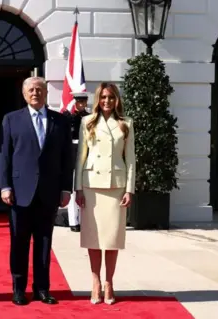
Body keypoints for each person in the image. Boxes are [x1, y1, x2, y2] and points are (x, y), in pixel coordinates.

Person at [0, 77, 74, 306]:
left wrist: (65, 188)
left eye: (39, 89)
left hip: (48, 193)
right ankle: (18, 288)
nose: (35, 93)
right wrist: (5, 186)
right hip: (20, 193)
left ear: (45, 93)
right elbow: (4, 156)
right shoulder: (11, 120)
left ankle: (42, 288)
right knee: (19, 243)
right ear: (24, 94)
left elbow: (66, 158)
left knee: (44, 243)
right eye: (31, 90)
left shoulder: (60, 121)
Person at [74, 82, 136, 305]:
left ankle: (109, 282)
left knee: (112, 239)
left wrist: (130, 189)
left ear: (116, 99)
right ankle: (95, 281)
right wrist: (78, 188)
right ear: (97, 100)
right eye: (103, 97)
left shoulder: (126, 123)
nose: (107, 101)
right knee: (93, 237)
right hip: (92, 185)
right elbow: (81, 156)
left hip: (116, 186)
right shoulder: (87, 122)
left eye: (110, 97)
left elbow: (130, 160)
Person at [64, 92, 90, 232]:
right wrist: (69, 111)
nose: (80, 105)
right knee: (74, 189)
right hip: (73, 151)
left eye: (83, 102)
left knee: (86, 188)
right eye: (78, 102)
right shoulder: (69, 117)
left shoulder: (90, 116)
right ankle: (74, 221)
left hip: (87, 151)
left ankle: (85, 220)